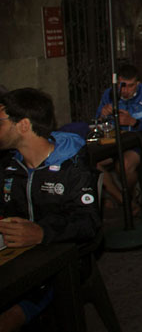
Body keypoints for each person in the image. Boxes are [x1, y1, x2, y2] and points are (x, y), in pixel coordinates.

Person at [0, 88, 101, 330]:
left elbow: (89, 223)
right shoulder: (9, 167)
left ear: (24, 125)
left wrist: (42, 233)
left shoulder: (71, 167)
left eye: (0, 122)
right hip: (15, 263)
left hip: (59, 270)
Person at [96, 63, 142, 213]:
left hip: (138, 143)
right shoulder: (109, 95)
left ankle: (131, 194)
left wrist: (135, 122)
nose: (125, 90)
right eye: (122, 86)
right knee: (92, 163)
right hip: (113, 143)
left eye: (130, 86)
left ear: (137, 83)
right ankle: (124, 200)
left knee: (124, 165)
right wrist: (102, 116)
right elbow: (97, 124)